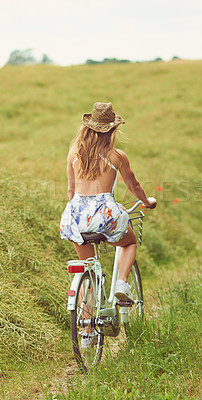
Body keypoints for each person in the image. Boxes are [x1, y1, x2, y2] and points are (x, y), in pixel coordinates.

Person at [60, 102, 156, 303]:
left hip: (75, 216)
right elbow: (134, 186)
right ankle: (122, 282)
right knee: (129, 242)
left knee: (88, 269)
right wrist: (147, 201)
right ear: (112, 130)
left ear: (87, 128)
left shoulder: (73, 153)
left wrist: (77, 212)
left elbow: (70, 191)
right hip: (105, 215)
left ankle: (86, 331)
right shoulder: (117, 156)